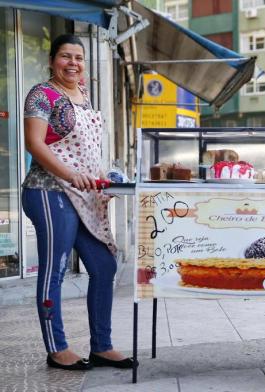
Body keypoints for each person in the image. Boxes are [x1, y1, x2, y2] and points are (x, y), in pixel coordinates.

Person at [22, 34, 136, 371]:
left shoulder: (83, 96)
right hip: (49, 192)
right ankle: (57, 348)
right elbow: (34, 144)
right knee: (54, 270)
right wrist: (71, 175)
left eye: (79, 58)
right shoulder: (41, 95)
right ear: (52, 60)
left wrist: (106, 177)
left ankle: (102, 346)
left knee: (103, 265)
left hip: (83, 194)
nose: (73, 63)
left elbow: (88, 151)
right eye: (65, 57)